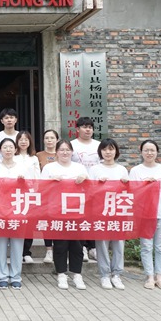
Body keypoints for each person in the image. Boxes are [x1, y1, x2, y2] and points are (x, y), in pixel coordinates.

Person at [41, 139, 89, 290]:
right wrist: (51, 181)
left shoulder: (79, 167)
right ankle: (61, 273)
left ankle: (77, 274)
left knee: (77, 245)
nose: (64, 152)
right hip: (57, 212)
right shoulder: (49, 168)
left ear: (72, 152)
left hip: (77, 212)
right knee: (60, 245)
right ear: (56, 152)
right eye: (61, 150)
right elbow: (40, 188)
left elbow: (90, 188)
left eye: (67, 149)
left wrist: (85, 179)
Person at [129, 139, 161, 291]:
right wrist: (144, 184)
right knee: (146, 246)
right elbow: (132, 192)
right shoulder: (136, 171)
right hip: (144, 214)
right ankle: (149, 276)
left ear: (157, 152)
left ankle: (159, 277)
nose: (149, 153)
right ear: (141, 152)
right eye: (146, 150)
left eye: (152, 150)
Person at [0, 138, 31, 290]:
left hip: (17, 210)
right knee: (0, 246)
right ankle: (2, 276)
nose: (8, 150)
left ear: (15, 150)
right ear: (0, 150)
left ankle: (15, 276)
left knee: (17, 245)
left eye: (10, 147)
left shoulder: (23, 168)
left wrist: (23, 183)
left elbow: (31, 188)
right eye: (4, 147)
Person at [88, 138, 129, 290]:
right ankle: (104, 275)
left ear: (116, 151)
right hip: (101, 211)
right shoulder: (94, 169)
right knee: (102, 244)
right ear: (100, 152)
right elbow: (88, 191)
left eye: (111, 149)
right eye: (105, 149)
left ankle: (117, 274)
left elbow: (129, 192)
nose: (108, 152)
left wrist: (126, 184)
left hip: (118, 211)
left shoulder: (122, 169)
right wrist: (97, 184)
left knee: (118, 244)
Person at [71, 117, 101, 262]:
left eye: (90, 127)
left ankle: (93, 247)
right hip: (77, 188)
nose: (88, 130)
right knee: (80, 217)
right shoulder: (72, 145)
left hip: (96, 187)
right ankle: (82, 246)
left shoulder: (98, 145)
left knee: (94, 216)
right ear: (77, 129)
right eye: (84, 127)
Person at [14, 131, 41, 264]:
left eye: (26, 139)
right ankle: (16, 251)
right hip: (15, 194)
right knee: (17, 223)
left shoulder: (33, 158)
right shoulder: (13, 157)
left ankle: (26, 252)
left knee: (29, 224)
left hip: (30, 194)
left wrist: (35, 192)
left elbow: (37, 177)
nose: (23, 142)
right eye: (21, 139)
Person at [36, 129, 59, 263]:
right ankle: (49, 250)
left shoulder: (63, 153)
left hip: (61, 195)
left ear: (57, 140)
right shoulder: (38, 155)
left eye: (52, 138)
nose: (49, 140)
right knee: (46, 222)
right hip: (45, 193)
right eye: (47, 138)